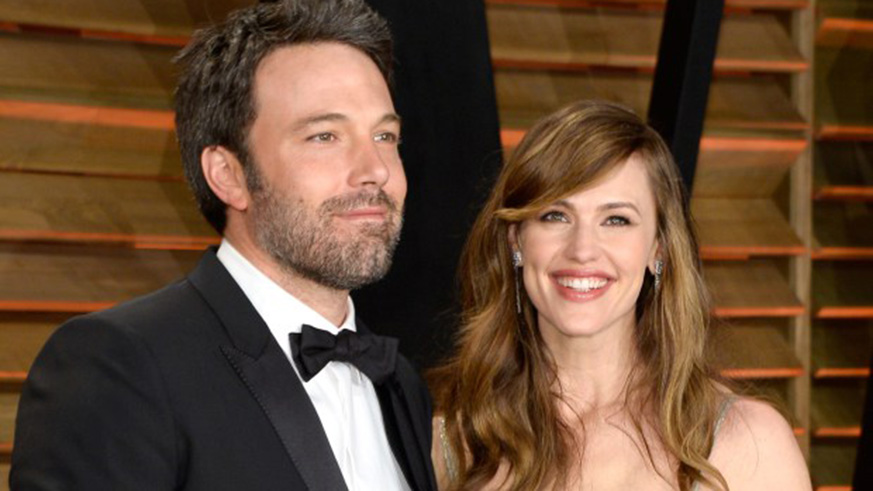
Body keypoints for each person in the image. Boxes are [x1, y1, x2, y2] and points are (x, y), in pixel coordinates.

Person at [11, 1, 436, 490]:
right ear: (229, 176)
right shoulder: (118, 366)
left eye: (385, 135)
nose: (376, 170)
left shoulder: (401, 383)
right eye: (325, 136)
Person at [429, 101, 811, 490]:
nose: (582, 249)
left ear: (657, 248)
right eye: (555, 216)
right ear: (516, 241)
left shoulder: (748, 443)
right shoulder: (450, 446)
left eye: (616, 220)